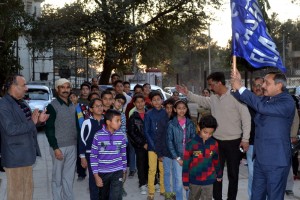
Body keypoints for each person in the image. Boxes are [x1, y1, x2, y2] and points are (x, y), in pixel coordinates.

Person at [177, 72, 251, 200]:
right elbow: (201, 100)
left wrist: (245, 139)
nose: (210, 88)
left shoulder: (236, 97)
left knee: (233, 174)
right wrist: (187, 93)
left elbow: (246, 119)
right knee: (216, 173)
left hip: (234, 142)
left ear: (219, 83)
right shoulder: (214, 98)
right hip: (216, 142)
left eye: (211, 85)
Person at [231, 69, 295, 200]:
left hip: (276, 161)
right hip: (260, 159)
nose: (263, 86)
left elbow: (261, 107)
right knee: (256, 196)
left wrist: (241, 88)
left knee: (274, 197)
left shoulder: (287, 102)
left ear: (279, 85)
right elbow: (248, 99)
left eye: (266, 83)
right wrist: (236, 84)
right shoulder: (267, 99)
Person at [0, 74, 49, 200]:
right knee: (16, 194)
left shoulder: (21, 103)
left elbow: (28, 125)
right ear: (13, 86)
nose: (26, 88)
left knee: (27, 192)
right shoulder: (4, 105)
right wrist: (32, 122)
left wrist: (38, 121)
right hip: (15, 157)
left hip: (26, 156)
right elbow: (10, 129)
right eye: (23, 85)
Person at [45, 78, 78, 200]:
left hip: (72, 146)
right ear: (57, 89)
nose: (65, 90)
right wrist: (55, 148)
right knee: (57, 178)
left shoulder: (72, 105)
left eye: (67, 87)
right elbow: (49, 129)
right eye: (62, 87)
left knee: (69, 177)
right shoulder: (52, 106)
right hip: (59, 147)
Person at [182, 115, 222, 200]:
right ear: (199, 128)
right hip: (194, 180)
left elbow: (216, 160)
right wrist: (185, 181)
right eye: (205, 132)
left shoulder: (214, 143)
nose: (207, 135)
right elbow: (186, 164)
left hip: (209, 180)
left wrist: (219, 174)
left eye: (211, 133)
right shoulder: (191, 143)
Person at [90, 109, 127, 200]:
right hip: (103, 172)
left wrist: (124, 169)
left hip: (117, 170)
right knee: (103, 196)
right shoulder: (98, 136)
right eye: (117, 121)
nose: (120, 123)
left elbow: (123, 153)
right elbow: (93, 156)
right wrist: (96, 175)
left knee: (116, 196)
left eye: (120, 121)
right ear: (108, 122)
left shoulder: (121, 135)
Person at [167, 99, 196, 200]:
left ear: (187, 109)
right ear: (174, 110)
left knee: (189, 180)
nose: (181, 110)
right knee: (178, 181)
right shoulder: (171, 124)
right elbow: (169, 142)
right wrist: (177, 157)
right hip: (177, 157)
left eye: (184, 108)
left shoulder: (190, 123)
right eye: (179, 108)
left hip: (189, 157)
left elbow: (194, 140)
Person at [144, 91, 169, 200]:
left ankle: (163, 190)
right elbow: (146, 131)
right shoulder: (148, 114)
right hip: (152, 147)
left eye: (158, 99)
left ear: (162, 100)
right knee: (152, 169)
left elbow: (167, 130)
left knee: (163, 169)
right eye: (154, 100)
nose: (156, 101)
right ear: (151, 102)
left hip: (163, 146)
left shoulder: (165, 113)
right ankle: (151, 192)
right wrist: (153, 146)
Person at [79, 98, 104, 200]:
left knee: (104, 180)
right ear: (91, 109)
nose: (99, 108)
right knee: (94, 180)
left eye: (101, 105)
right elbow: (82, 140)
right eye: (97, 106)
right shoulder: (87, 122)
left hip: (104, 155)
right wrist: (82, 156)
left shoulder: (106, 121)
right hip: (91, 155)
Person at [246, 77, 264, 199]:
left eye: (260, 85)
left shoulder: (270, 101)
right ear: (252, 88)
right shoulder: (247, 102)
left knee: (264, 174)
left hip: (266, 144)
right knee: (252, 174)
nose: (257, 87)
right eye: (255, 85)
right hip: (251, 143)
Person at [127, 93, 149, 195]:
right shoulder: (133, 116)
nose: (140, 104)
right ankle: (142, 184)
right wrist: (142, 143)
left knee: (149, 164)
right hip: (139, 145)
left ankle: (150, 181)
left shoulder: (149, 113)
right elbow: (132, 133)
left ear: (144, 102)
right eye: (137, 102)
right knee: (140, 164)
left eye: (142, 101)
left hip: (150, 144)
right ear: (134, 103)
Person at [156, 98, 176, 200]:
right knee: (167, 174)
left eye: (171, 108)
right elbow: (158, 137)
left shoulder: (178, 120)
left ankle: (176, 193)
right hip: (165, 152)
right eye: (167, 108)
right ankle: (168, 195)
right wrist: (159, 153)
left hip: (177, 153)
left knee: (177, 175)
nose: (169, 110)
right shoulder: (162, 120)